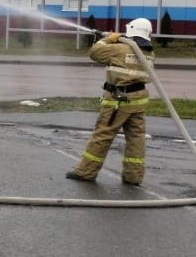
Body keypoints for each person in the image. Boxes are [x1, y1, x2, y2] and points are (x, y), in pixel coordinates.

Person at [65, 18, 155, 186]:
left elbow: (95, 52)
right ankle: (133, 176)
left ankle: (86, 172)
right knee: (136, 138)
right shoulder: (149, 52)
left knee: (103, 134)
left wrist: (109, 38)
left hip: (118, 101)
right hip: (139, 100)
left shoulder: (119, 49)